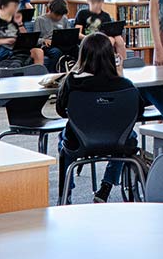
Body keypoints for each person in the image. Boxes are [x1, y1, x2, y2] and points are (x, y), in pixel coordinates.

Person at [53, 32, 135, 200]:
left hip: (80, 142)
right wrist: (120, 75)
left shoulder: (72, 81)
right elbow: (136, 112)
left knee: (64, 140)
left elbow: (61, 111)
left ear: (82, 55)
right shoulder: (124, 84)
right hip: (117, 141)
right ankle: (107, 185)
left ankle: (65, 194)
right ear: (110, 56)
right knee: (129, 136)